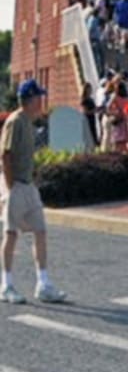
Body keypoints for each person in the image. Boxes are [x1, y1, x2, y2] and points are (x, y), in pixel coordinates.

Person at [1, 81, 68, 305]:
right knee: (11, 234)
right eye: (39, 97)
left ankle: (43, 284)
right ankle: (6, 285)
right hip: (16, 186)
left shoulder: (28, 122)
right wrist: (11, 188)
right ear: (30, 99)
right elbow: (5, 155)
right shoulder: (15, 121)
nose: (42, 101)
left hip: (28, 186)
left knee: (40, 231)